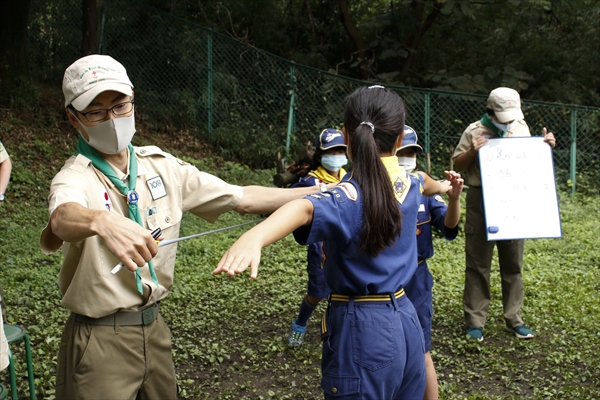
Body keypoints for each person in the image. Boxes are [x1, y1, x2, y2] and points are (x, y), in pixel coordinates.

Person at [39, 54, 332, 400]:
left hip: (154, 330)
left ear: (133, 101)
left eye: (119, 106)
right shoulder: (74, 177)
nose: (112, 118)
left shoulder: (161, 167)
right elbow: (62, 218)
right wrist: (100, 220)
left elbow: (244, 197)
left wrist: (324, 191)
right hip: (99, 340)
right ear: (74, 119)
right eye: (95, 112)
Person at [214, 85, 463, 399]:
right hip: (406, 316)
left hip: (364, 329)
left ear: (346, 136)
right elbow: (426, 182)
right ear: (400, 140)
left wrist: (255, 237)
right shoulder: (409, 183)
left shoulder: (348, 195)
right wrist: (444, 185)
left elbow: (303, 208)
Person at [452, 87, 556, 342]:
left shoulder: (521, 127)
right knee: (478, 264)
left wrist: (545, 147)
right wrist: (473, 150)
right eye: (503, 115)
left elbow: (529, 163)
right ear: (490, 111)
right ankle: (475, 322)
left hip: (513, 201)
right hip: (481, 199)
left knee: (513, 262)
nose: (508, 120)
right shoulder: (474, 130)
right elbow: (458, 164)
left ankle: (514, 319)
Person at [398, 126, 462, 400]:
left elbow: (448, 227)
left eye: (412, 152)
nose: (407, 157)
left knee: (422, 348)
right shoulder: (376, 190)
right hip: (385, 278)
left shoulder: (424, 191)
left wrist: (455, 198)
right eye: (402, 152)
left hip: (417, 278)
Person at [286, 128, 348, 348]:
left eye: (342, 150)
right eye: (333, 151)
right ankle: (300, 324)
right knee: (316, 293)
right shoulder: (308, 182)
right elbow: (290, 201)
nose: (338, 155)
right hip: (320, 248)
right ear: (321, 155)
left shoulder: (349, 177)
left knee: (344, 291)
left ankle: (337, 333)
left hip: (345, 244)